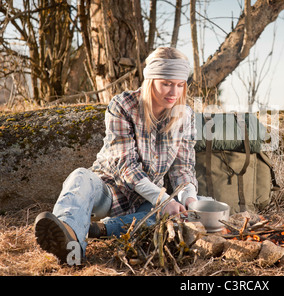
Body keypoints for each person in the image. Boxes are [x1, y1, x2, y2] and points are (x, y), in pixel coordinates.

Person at [34, 47, 199, 264]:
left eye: (180, 85)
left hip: (147, 202)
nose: (174, 92)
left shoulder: (185, 115)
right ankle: (71, 241)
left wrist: (190, 200)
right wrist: (162, 198)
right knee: (79, 176)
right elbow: (126, 166)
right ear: (151, 79)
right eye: (166, 83)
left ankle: (99, 230)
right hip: (109, 191)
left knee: (169, 215)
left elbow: (183, 169)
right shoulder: (123, 105)